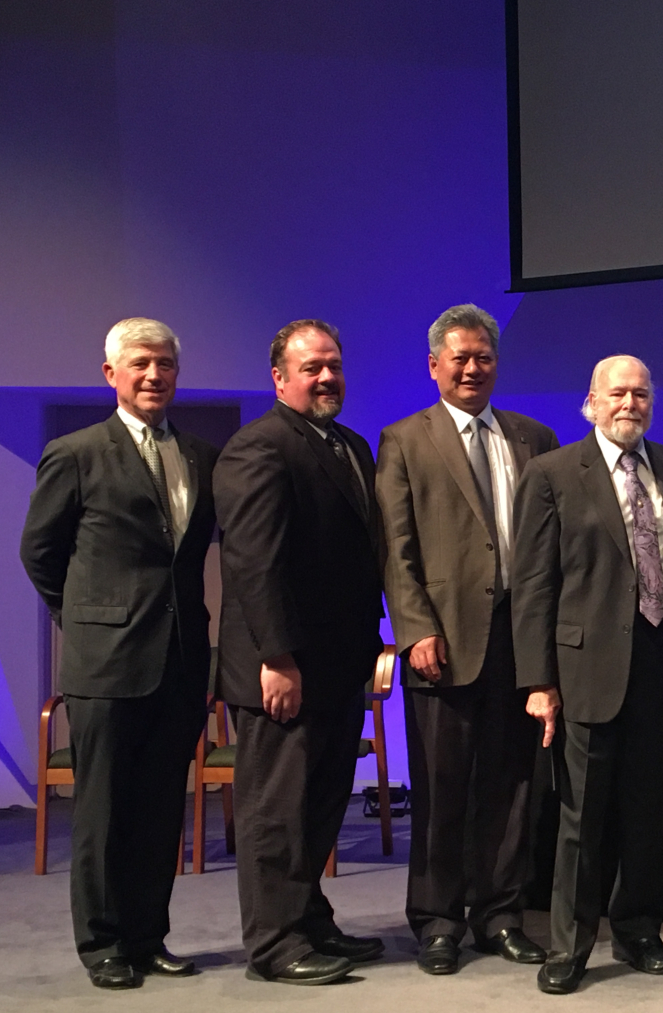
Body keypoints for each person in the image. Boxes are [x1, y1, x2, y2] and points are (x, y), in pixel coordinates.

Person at [20, 318, 218, 990]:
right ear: (111, 373)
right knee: (105, 811)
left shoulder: (198, 453)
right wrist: (83, 620)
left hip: (182, 659)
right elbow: (39, 553)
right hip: (106, 665)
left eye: (165, 364)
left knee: (163, 807)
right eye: (140, 363)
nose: (154, 375)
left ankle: (147, 934)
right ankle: (102, 943)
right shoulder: (74, 452)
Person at [375, 304, 558, 974]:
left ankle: (500, 913)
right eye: (460, 357)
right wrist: (414, 628)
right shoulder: (404, 439)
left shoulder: (534, 436)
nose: (472, 367)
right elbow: (396, 549)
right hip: (442, 643)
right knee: (442, 787)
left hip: (521, 639)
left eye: (483, 356)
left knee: (512, 787)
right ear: (434, 365)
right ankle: (437, 920)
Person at [213, 319, 386, 985]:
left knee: (319, 803)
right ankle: (275, 942)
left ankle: (311, 919)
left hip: (340, 662)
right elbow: (255, 563)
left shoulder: (348, 444)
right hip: (281, 665)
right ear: (279, 377)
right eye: (310, 367)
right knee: (276, 810)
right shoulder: (258, 446)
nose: (324, 377)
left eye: (333, 365)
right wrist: (276, 657)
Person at [512, 355, 663, 995]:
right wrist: (537, 680)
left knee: (647, 812)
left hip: (657, 664)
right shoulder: (552, 473)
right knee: (581, 818)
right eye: (618, 393)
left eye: (641, 394)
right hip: (582, 668)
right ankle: (570, 946)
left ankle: (639, 929)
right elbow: (532, 585)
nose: (630, 404)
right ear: (591, 401)